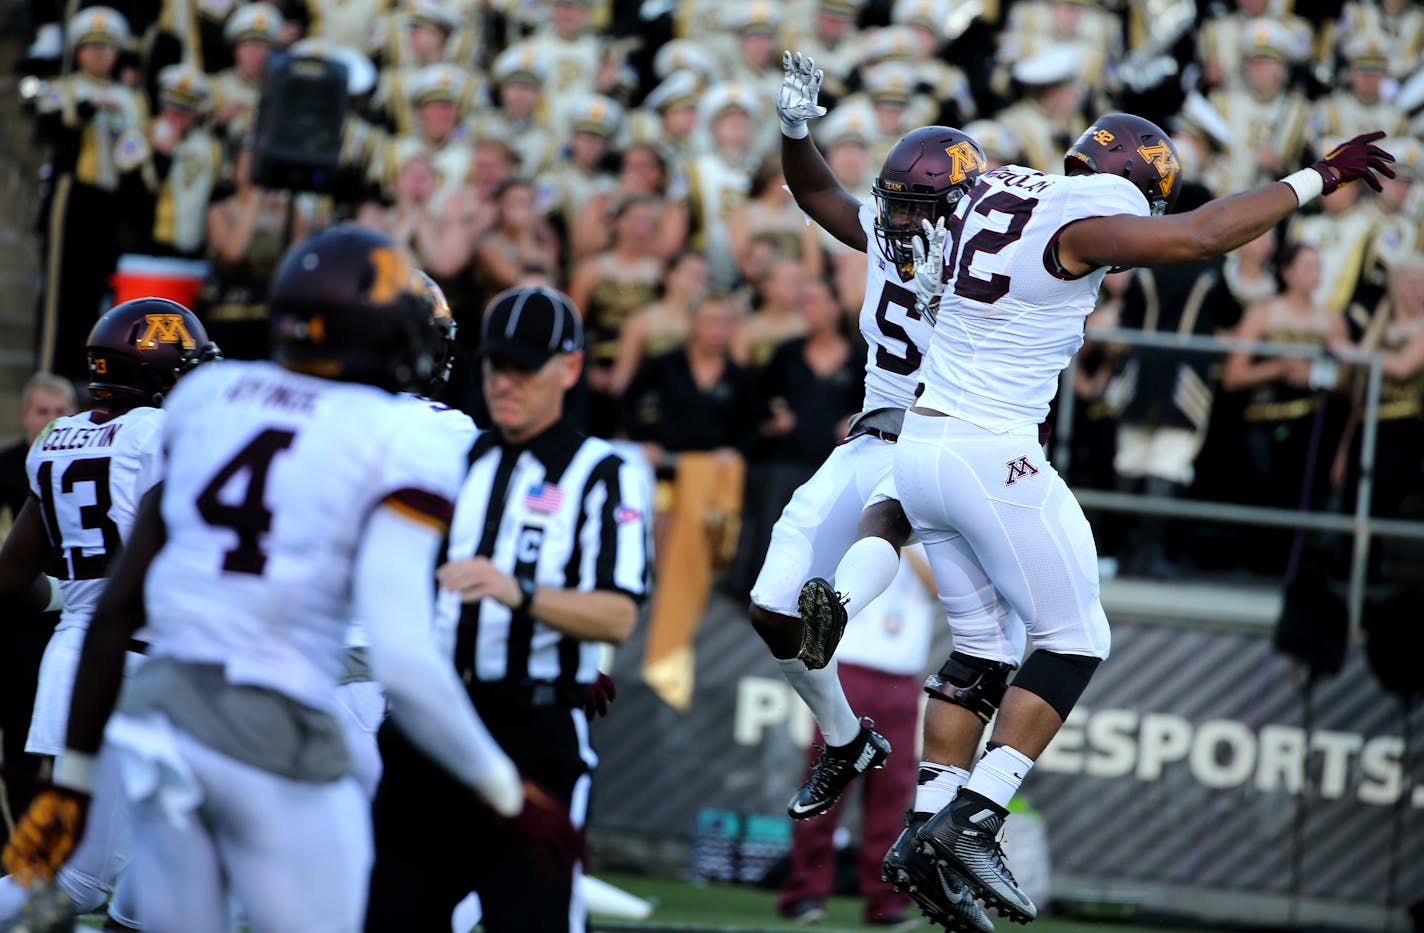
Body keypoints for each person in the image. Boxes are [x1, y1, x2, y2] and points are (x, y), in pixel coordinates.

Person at [0, 228, 581, 930]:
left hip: (159, 711)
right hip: (282, 723)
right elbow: (401, 650)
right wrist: (506, 790)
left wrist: (78, 781)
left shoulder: (209, 399)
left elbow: (117, 606)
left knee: (125, 901)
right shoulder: (411, 435)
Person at [889, 115, 1392, 924]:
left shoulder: (996, 185)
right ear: (1138, 181)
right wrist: (1316, 179)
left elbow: (885, 214)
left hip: (922, 439)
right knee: (1077, 638)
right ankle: (976, 815)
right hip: (989, 449)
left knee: (981, 648)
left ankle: (922, 828)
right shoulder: (1088, 212)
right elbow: (1199, 238)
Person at [755, 50, 994, 933]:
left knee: (885, 528)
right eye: (893, 202)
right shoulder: (889, 236)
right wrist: (792, 131)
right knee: (768, 610)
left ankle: (842, 607)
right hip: (873, 426)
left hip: (950, 445)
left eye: (917, 206)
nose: (899, 220)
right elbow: (818, 193)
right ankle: (848, 740)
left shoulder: (997, 263)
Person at [365, 286, 650, 933]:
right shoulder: (455, 459)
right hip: (430, 726)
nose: (505, 382)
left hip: (533, 731)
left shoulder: (603, 473)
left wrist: (518, 593)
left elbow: (616, 616)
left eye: (525, 367)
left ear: (570, 368)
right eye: (497, 365)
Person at [0, 298, 221, 929]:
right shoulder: (154, 434)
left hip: (81, 658)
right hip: (129, 670)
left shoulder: (55, 439)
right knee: (75, 880)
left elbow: (12, 575)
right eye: (186, 365)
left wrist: (73, 597)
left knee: (137, 870)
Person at [777, 544, 936, 929]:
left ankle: (884, 902)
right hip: (848, 669)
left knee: (892, 795)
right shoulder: (868, 529)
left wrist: (907, 540)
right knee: (827, 782)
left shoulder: (933, 532)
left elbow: (939, 587)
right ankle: (804, 894)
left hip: (902, 677)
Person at [0, 375, 75, 851]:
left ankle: (60, 850)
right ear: (25, 414)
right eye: (41, 411)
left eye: (59, 411)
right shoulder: (6, 467)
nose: (50, 421)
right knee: (21, 733)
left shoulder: (86, 464)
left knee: (65, 737)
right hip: (15, 618)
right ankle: (21, 851)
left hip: (68, 613)